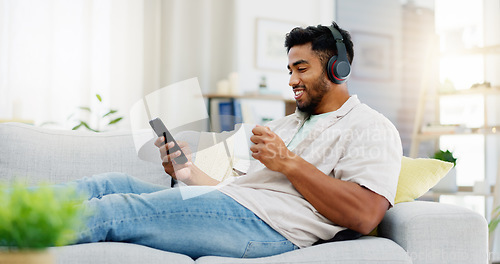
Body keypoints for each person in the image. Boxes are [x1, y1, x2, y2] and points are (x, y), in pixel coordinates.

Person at [72, 21, 402, 259]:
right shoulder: (283, 125)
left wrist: (288, 163)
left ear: (337, 70)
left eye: (301, 69)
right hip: (231, 204)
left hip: (270, 226)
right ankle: (18, 205)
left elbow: (365, 214)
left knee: (114, 211)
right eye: (289, 70)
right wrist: (186, 172)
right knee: (108, 184)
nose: (292, 80)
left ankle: (21, 228)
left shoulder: (372, 127)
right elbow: (225, 181)